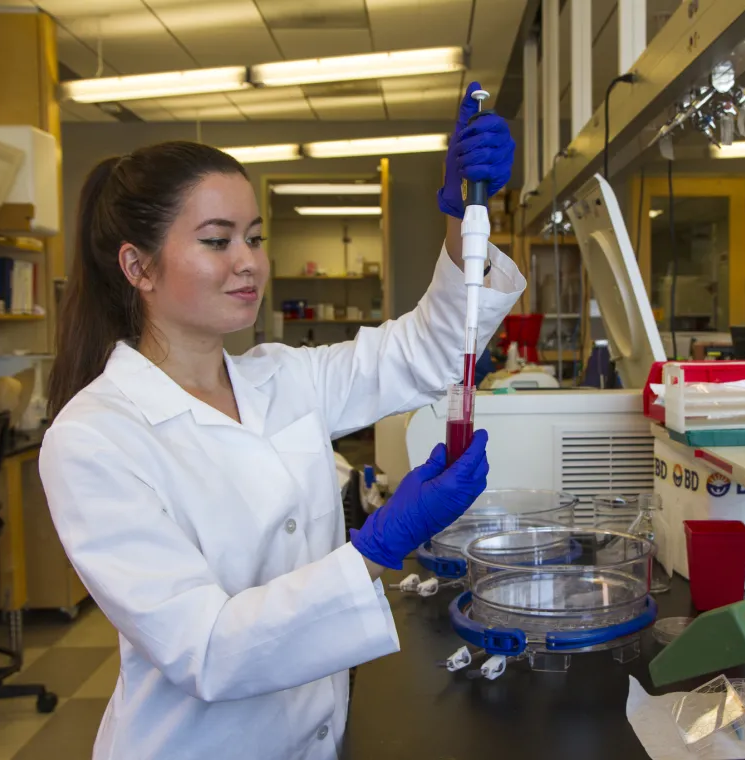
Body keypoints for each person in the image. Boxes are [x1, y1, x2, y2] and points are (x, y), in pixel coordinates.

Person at [39, 83, 520, 760]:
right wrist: (378, 546)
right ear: (137, 266)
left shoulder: (281, 376)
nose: (249, 262)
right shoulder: (93, 439)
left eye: (255, 237)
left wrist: (461, 213)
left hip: (316, 733)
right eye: (217, 240)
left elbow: (427, 352)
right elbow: (206, 648)